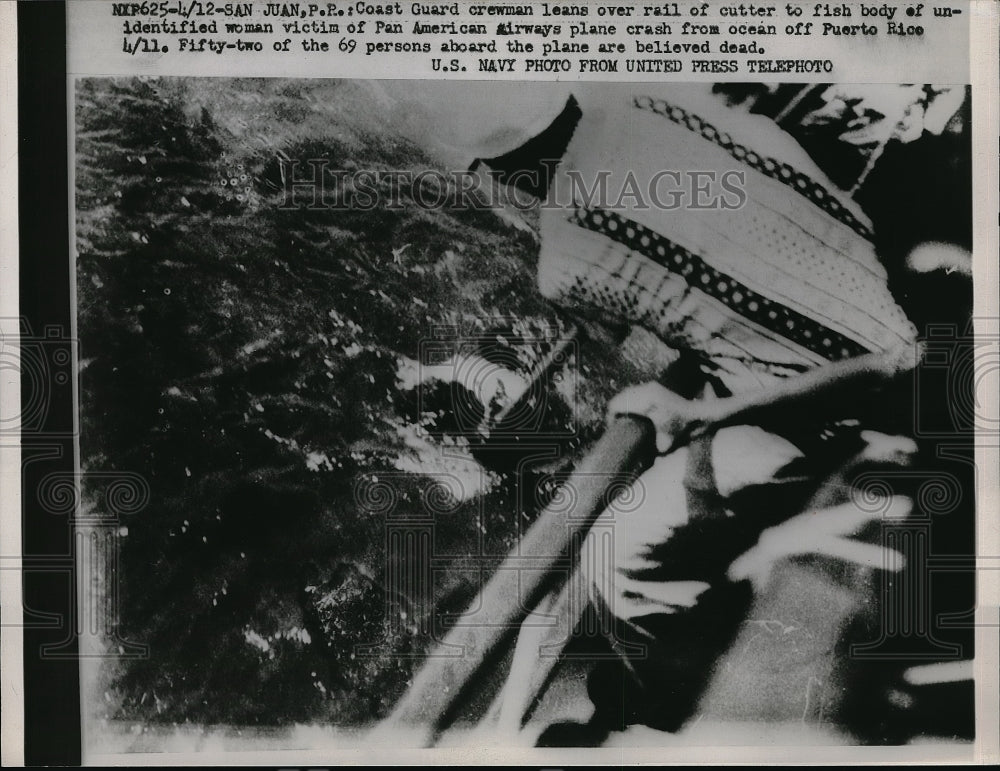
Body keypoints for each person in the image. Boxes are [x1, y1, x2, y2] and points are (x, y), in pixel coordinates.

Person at [376, 81, 970, 741]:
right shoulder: (648, 104)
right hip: (878, 284)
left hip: (845, 390)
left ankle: (657, 697)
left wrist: (697, 412)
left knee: (618, 551)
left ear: (501, 172)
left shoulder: (566, 259)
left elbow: (617, 336)